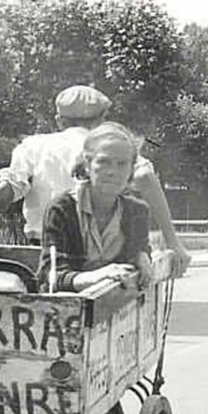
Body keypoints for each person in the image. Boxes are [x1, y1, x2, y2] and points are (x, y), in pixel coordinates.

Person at [0, 85, 191, 277]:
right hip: (104, 256)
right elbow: (144, 176)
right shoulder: (108, 145)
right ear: (101, 120)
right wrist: (173, 242)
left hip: (46, 251)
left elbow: (4, 193)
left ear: (59, 120)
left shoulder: (34, 145)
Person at [38, 122, 152, 293]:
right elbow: (52, 275)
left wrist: (142, 255)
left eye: (122, 164)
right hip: (67, 309)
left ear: (131, 169)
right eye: (103, 162)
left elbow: (140, 248)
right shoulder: (61, 209)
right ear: (87, 164)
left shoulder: (137, 211)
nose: (112, 171)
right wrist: (97, 277)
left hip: (117, 307)